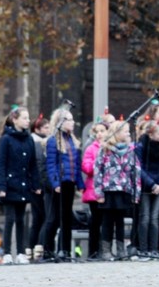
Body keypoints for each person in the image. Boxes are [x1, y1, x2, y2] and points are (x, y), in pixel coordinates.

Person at [0, 105, 40, 264]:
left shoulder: (29, 139)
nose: (28, 121)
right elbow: (1, 164)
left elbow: (33, 164)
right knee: (10, 218)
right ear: (15, 120)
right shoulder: (6, 139)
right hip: (10, 184)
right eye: (25, 118)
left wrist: (36, 184)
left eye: (28, 118)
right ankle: (7, 252)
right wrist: (1, 186)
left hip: (23, 185)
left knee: (21, 219)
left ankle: (21, 252)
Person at [94, 119, 141, 261]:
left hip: (124, 190)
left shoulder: (130, 151)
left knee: (120, 221)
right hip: (108, 191)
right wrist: (99, 192)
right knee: (107, 221)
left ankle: (121, 249)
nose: (128, 134)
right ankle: (106, 250)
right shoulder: (105, 150)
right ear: (117, 133)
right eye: (125, 131)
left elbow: (136, 172)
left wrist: (136, 193)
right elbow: (98, 171)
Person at [43, 107, 85, 261]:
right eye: (69, 119)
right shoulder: (54, 141)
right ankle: (48, 250)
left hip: (69, 183)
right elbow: (51, 164)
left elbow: (76, 165)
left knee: (66, 218)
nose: (73, 122)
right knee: (54, 217)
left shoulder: (72, 141)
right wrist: (55, 182)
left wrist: (79, 183)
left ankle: (64, 250)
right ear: (60, 122)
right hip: (59, 183)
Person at [137, 120, 159, 260]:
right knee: (145, 217)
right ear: (150, 134)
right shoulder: (141, 146)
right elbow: (139, 168)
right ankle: (143, 249)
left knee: (154, 218)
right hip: (147, 186)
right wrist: (151, 184)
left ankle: (154, 249)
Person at [81, 121, 107, 261]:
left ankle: (105, 250)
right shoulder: (91, 149)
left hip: (108, 189)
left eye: (102, 131)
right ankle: (93, 251)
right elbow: (87, 167)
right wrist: (98, 159)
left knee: (106, 222)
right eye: (97, 131)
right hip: (94, 191)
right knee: (95, 222)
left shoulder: (111, 148)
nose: (100, 134)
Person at [30, 114, 50, 260]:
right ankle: (39, 246)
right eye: (46, 127)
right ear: (37, 128)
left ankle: (31, 248)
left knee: (38, 218)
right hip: (39, 187)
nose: (49, 130)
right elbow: (39, 166)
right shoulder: (37, 143)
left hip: (38, 185)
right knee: (42, 217)